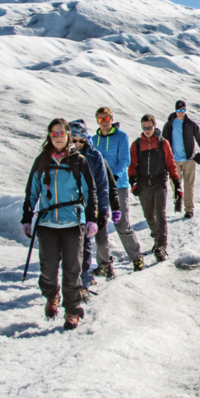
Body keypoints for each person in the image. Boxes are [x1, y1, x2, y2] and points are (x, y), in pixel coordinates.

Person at [20, 118, 98, 330]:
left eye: (61, 133)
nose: (58, 138)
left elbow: (90, 191)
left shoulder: (78, 161)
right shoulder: (41, 160)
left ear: (68, 135)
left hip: (73, 223)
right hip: (47, 224)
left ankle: (72, 311)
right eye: (54, 134)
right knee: (48, 268)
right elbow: (31, 191)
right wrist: (27, 219)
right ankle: (51, 296)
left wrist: (92, 218)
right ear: (49, 136)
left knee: (73, 269)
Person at [90, 107, 143, 274]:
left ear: (111, 119)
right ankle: (103, 264)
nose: (104, 122)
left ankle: (136, 258)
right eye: (100, 119)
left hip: (118, 185)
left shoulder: (121, 137)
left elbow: (125, 160)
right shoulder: (93, 140)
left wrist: (114, 176)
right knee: (100, 225)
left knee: (121, 223)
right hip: (99, 187)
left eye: (106, 119)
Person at [69, 119, 117, 299]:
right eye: (74, 140)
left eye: (81, 141)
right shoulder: (61, 155)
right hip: (66, 208)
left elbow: (103, 185)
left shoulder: (94, 156)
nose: (78, 144)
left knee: (85, 246)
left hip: (88, 207)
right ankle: (72, 282)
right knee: (69, 248)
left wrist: (103, 209)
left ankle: (84, 282)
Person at [128, 114, 182, 263]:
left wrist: (177, 184)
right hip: (144, 185)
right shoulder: (137, 145)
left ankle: (161, 246)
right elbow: (131, 166)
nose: (147, 130)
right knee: (149, 216)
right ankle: (156, 238)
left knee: (160, 214)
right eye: (144, 128)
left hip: (159, 183)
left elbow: (171, 164)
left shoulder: (162, 143)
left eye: (149, 127)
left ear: (154, 125)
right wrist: (133, 182)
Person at [162, 100, 200, 219]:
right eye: (178, 110)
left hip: (189, 159)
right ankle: (177, 200)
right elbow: (163, 142)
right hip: (174, 160)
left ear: (185, 110)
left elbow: (199, 137)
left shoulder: (191, 124)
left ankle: (189, 209)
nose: (180, 112)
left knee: (189, 185)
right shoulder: (169, 125)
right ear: (175, 110)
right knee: (174, 183)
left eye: (183, 110)